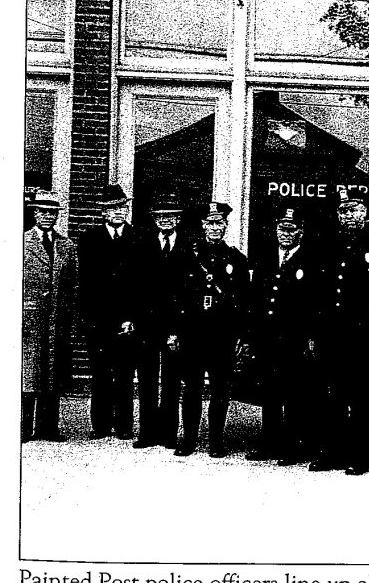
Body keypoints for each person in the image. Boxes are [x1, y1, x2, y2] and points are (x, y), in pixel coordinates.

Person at [313, 187, 369, 474]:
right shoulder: (327, 245)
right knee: (331, 394)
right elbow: (319, 291)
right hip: (332, 331)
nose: (350, 216)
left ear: (365, 212)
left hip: (362, 334)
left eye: (355, 210)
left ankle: (361, 455)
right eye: (344, 211)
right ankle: (331, 453)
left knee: (361, 396)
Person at [175, 201, 249, 458]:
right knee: (192, 387)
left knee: (220, 388)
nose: (214, 227)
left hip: (222, 334)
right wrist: (175, 330)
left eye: (219, 223)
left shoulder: (236, 260)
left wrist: (240, 334)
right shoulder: (187, 256)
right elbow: (176, 296)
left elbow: (243, 302)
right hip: (193, 332)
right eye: (210, 223)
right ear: (203, 225)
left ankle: (216, 440)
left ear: (226, 226)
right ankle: (189, 439)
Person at [246, 205, 314, 464]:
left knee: (294, 393)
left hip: (294, 338)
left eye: (291, 229)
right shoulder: (265, 258)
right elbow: (255, 299)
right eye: (281, 228)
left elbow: (312, 303)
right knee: (270, 393)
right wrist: (252, 334)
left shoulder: (309, 260)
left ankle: (292, 447)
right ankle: (268, 444)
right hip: (267, 337)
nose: (285, 234)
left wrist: (309, 336)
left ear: (300, 232)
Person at [77, 183, 142, 441]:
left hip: (127, 319)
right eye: (112, 208)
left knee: (125, 372)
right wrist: (90, 318)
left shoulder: (138, 236)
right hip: (98, 318)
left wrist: (132, 317)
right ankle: (101, 425)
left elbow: (140, 283)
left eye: (122, 207)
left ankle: (124, 424)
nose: (118, 212)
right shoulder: (90, 239)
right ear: (104, 212)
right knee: (101, 373)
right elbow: (86, 281)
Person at [134, 198, 191, 450]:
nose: (165, 220)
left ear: (178, 219)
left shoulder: (190, 245)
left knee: (171, 378)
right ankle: (147, 433)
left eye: (170, 216)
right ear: (154, 219)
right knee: (146, 378)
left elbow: (191, 289)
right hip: (148, 323)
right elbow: (133, 283)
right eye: (160, 216)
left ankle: (168, 433)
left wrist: (179, 327)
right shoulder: (143, 243)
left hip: (175, 324)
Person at [22, 192, 78, 442]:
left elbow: (73, 284)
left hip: (57, 319)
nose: (47, 216)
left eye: (52, 213)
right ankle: (23, 427)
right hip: (29, 320)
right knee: (28, 375)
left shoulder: (67, 245)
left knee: (51, 374)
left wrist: (70, 315)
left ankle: (48, 428)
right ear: (34, 214)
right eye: (42, 212)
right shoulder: (21, 243)